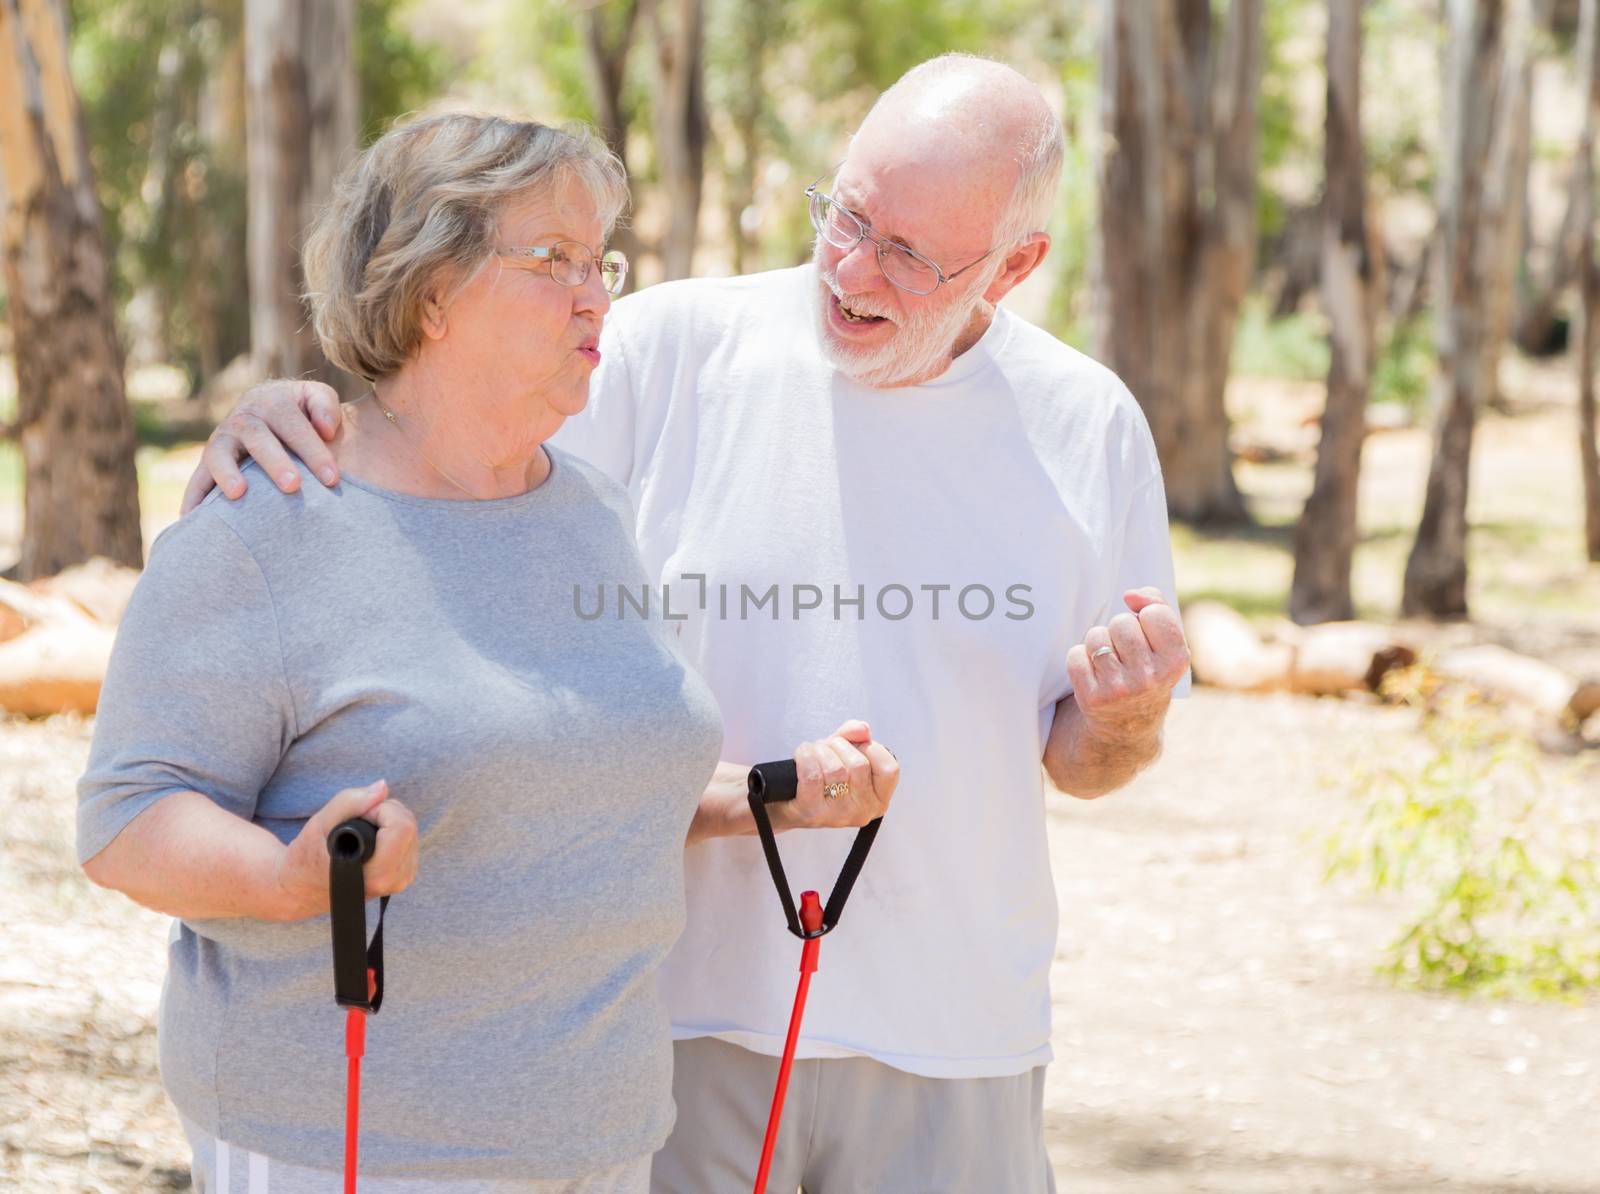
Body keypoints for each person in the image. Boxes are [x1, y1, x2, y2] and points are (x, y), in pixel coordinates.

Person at [188, 55, 1189, 1193]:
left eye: (909, 253)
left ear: (1014, 266)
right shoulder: (662, 349)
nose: (853, 270)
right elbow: (436, 459)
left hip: (955, 1031)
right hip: (662, 1010)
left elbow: (1087, 763)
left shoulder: (1088, 427)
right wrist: (294, 411)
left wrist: (1126, 717)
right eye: (848, 214)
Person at [80, 112, 896, 1194]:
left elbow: (573, 778)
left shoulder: (596, 512)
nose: (598, 295)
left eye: (599, 261)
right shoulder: (266, 524)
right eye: (552, 259)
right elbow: (127, 816)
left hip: (601, 1138)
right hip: (348, 1144)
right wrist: (288, 880)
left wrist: (777, 796)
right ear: (428, 293)